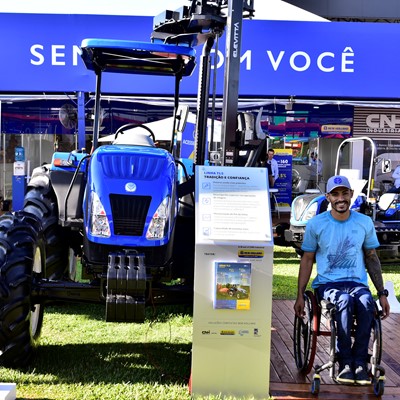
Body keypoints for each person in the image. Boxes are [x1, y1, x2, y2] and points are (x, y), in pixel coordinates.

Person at [294, 175, 390, 385]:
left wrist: (382, 293)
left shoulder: (364, 222)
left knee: (366, 303)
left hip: (357, 283)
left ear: (351, 195)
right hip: (328, 285)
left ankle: (360, 362)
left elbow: (372, 258)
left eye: (344, 193)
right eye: (335, 194)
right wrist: (300, 295)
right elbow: (307, 259)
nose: (340, 198)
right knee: (343, 301)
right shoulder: (316, 224)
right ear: (328, 196)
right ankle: (345, 362)